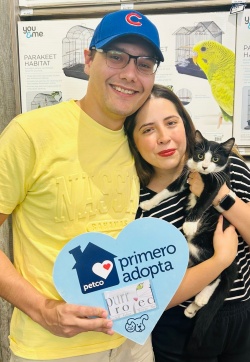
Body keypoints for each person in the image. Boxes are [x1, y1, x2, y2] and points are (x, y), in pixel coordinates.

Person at [0, 10, 164, 362]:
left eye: (145, 64)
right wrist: (44, 310)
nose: (130, 74)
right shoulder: (30, 134)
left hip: (133, 338)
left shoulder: (142, 140)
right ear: (88, 59)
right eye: (116, 57)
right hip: (52, 348)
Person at [124, 84, 250, 362]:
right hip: (177, 325)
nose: (164, 137)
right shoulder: (137, 203)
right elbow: (151, 295)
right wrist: (219, 260)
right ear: (132, 140)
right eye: (147, 129)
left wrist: (220, 196)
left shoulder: (230, 168)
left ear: (186, 125)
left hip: (241, 317)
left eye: (171, 123)